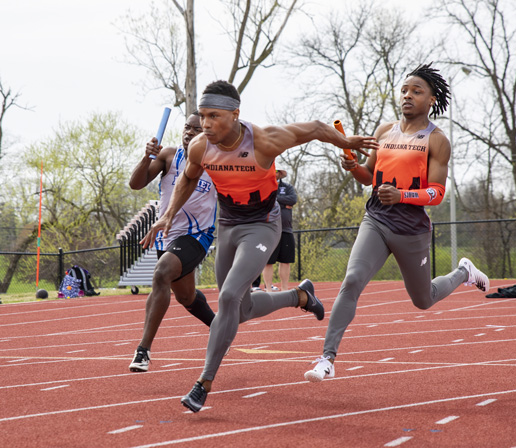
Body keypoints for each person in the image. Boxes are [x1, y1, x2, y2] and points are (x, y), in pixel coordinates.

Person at [141, 80, 378, 412]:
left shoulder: (264, 141)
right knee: (241, 310)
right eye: (202, 116)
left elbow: (314, 128)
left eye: (213, 117)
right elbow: (189, 177)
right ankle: (300, 296)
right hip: (229, 226)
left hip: (263, 226)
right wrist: (167, 215)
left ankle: (203, 384)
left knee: (226, 298)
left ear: (235, 115)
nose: (206, 124)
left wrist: (344, 141)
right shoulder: (199, 146)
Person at [304, 63, 490, 383]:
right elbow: (367, 177)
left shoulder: (437, 140)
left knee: (423, 300)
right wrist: (352, 165)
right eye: (404, 90)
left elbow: (437, 193)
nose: (407, 96)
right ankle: (327, 359)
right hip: (376, 218)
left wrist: (402, 195)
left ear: (432, 100)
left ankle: (463, 272)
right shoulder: (383, 132)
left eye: (417, 92)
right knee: (352, 280)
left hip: (411, 228)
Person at [128, 112, 217, 373]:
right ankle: (219, 326)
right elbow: (136, 184)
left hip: (198, 235)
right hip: (167, 235)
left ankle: (143, 350)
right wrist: (147, 157)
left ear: (208, 135)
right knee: (186, 296)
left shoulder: (217, 161)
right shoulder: (169, 155)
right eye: (186, 128)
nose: (189, 133)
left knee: (162, 273)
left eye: (196, 130)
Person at [251, 169, 297, 292]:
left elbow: (293, 199)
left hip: (286, 228)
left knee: (286, 260)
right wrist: (283, 203)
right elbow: (263, 201)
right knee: (268, 261)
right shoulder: (262, 186)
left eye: (277, 171)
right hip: (269, 229)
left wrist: (276, 199)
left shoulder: (287, 187)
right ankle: (268, 289)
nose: (275, 173)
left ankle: (285, 289)